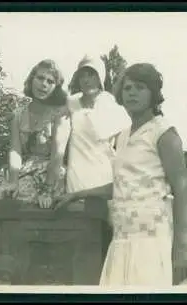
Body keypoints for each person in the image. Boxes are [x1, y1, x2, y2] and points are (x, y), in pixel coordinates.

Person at [53, 63, 187, 286]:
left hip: (155, 243)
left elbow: (182, 190)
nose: (132, 93)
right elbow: (123, 185)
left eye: (140, 87)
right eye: (127, 88)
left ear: (153, 93)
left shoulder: (163, 132)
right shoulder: (122, 136)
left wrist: (179, 247)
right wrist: (77, 194)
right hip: (122, 240)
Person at [0, 59, 70, 259]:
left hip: (51, 174)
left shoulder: (60, 114)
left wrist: (48, 189)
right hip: (26, 171)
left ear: (56, 87)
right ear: (31, 79)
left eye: (50, 81)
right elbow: (15, 151)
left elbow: (58, 154)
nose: (43, 84)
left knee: (21, 211)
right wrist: (13, 180)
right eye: (40, 78)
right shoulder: (19, 114)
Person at [62, 55, 132, 263]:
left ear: (100, 78)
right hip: (76, 174)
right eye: (82, 74)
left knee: (110, 233)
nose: (87, 80)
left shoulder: (110, 105)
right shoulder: (71, 102)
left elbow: (123, 143)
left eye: (91, 74)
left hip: (102, 174)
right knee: (82, 237)